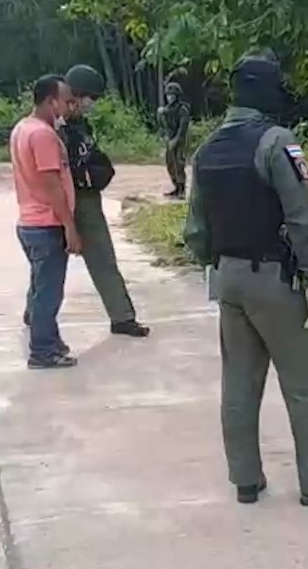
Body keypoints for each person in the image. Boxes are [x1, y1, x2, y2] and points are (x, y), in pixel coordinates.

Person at [184, 51, 308, 507]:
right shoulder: (277, 142)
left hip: (228, 279)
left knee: (239, 381)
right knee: (306, 383)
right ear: (269, 92)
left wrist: (217, 264)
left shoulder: (207, 147)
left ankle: (246, 480)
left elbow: (194, 229)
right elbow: (301, 217)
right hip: (275, 279)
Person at [60, 64, 150, 338]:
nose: (92, 104)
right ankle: (36, 311)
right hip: (63, 196)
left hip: (87, 198)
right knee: (50, 264)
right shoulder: (52, 124)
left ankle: (122, 316)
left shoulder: (80, 124)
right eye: (90, 98)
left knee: (103, 257)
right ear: (76, 94)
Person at [10, 74, 81, 370]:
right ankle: (42, 351)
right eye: (65, 101)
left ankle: (47, 337)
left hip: (29, 221)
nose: (68, 107)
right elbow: (52, 183)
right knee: (49, 292)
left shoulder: (22, 129)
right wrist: (70, 226)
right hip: (46, 223)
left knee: (40, 286)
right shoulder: (43, 135)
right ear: (51, 102)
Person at [157, 81, 190, 198]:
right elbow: (163, 127)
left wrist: (176, 140)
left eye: (172, 95)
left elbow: (183, 127)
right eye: (168, 95)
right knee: (170, 163)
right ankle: (176, 186)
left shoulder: (182, 109)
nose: (169, 97)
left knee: (179, 163)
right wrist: (165, 138)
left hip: (180, 140)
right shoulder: (165, 110)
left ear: (177, 96)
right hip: (170, 139)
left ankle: (181, 189)